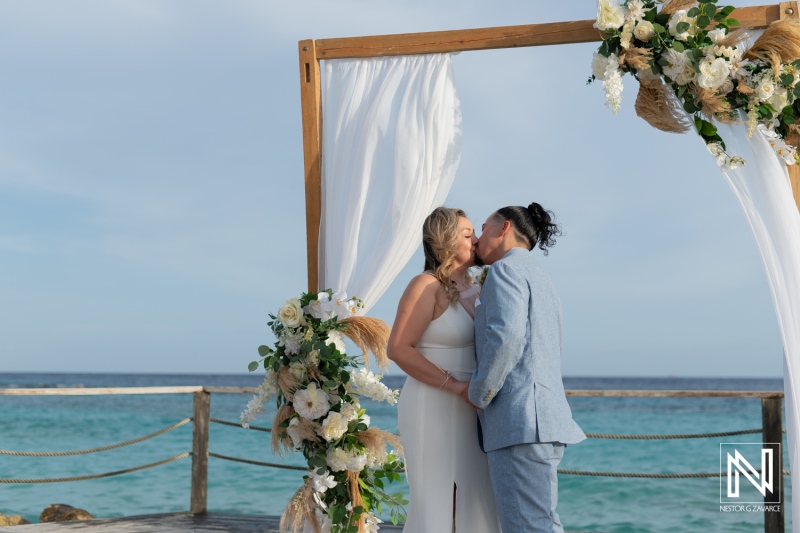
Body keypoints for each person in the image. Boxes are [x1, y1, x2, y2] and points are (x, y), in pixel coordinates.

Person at [464, 203, 586, 533]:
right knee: (540, 523)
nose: (477, 239)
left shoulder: (505, 271)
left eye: (484, 228)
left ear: (504, 228)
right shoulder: (540, 277)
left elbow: (507, 337)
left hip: (520, 421)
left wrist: (479, 392)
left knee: (528, 527)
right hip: (541, 420)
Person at [388, 206, 501, 533]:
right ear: (446, 242)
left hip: (471, 407)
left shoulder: (476, 287)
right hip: (433, 404)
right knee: (440, 496)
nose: (477, 240)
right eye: (468, 235)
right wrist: (454, 386)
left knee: (475, 495)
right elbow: (397, 348)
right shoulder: (425, 285)